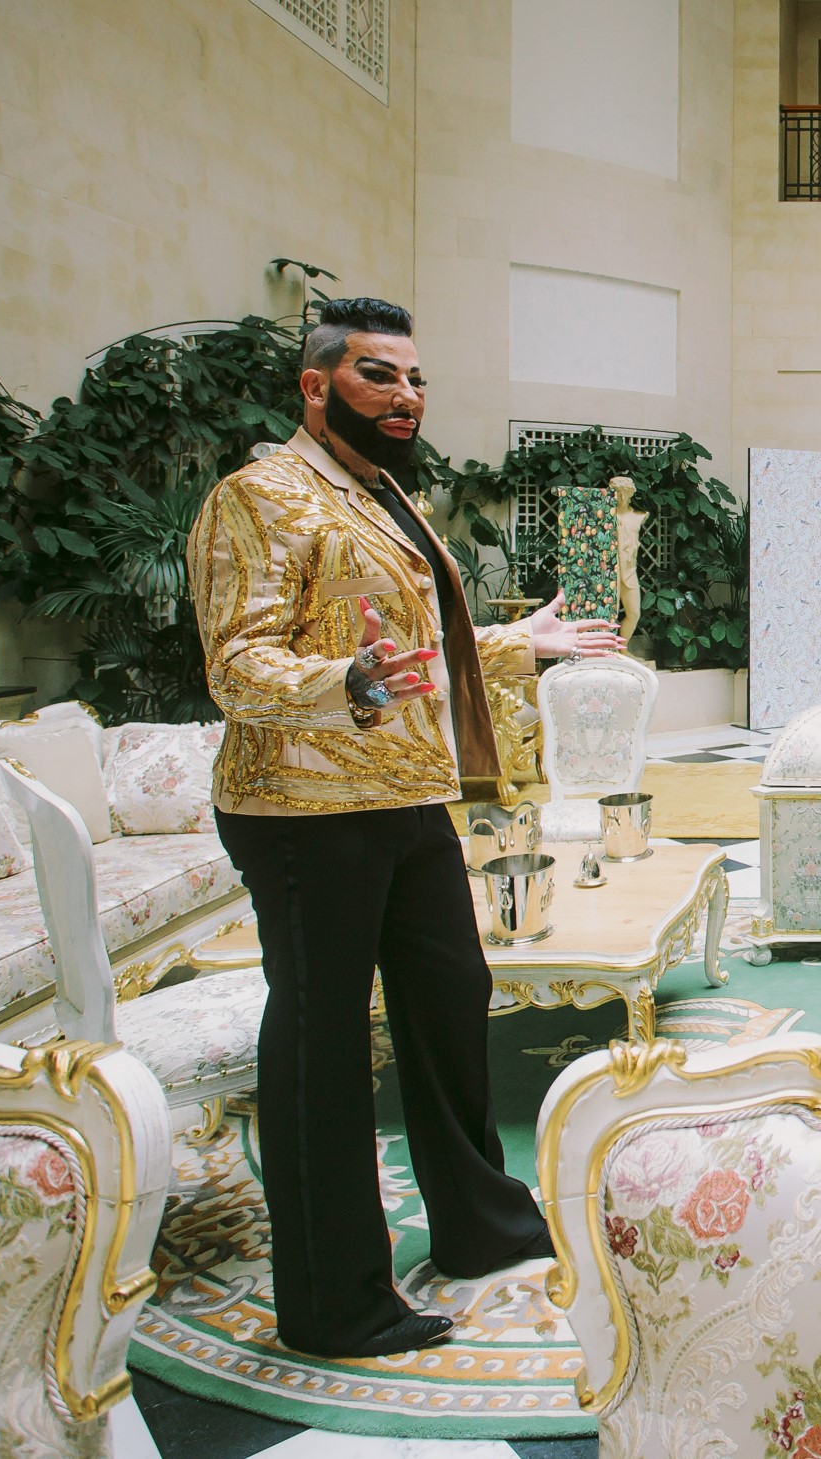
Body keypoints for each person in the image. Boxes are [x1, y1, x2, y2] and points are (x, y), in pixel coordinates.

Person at [185, 298, 621, 1358]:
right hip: (301, 810)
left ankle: (480, 1225)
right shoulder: (260, 497)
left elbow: (412, 650)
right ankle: (337, 1303)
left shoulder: (378, 494)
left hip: (402, 795)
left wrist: (520, 640)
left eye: (415, 379)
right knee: (325, 1044)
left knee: (449, 994)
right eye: (380, 376)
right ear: (317, 383)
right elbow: (236, 665)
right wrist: (346, 684)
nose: (405, 396)